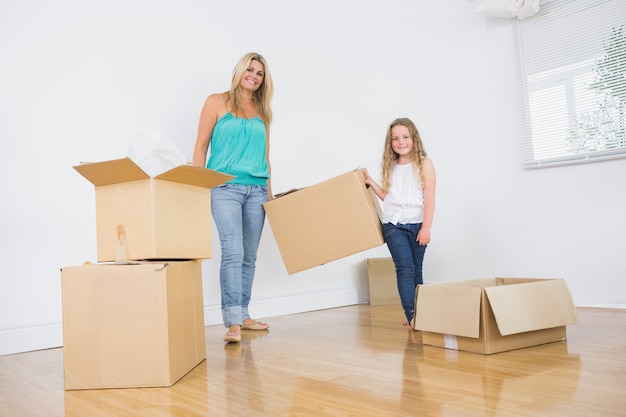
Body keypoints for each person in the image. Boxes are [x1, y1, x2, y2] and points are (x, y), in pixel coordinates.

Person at [193, 52, 274, 343]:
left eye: (260, 73)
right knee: (233, 252)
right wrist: (198, 187)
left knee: (249, 257)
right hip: (224, 187)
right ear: (240, 70)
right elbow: (201, 148)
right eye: (250, 69)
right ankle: (232, 322)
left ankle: (244, 314)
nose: (254, 75)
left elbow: (265, 156)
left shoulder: (263, 110)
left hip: (257, 190)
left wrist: (270, 194)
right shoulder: (216, 102)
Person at [364, 117, 436, 328]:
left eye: (405, 137)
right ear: (390, 143)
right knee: (404, 269)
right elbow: (389, 197)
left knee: (417, 269)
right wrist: (371, 183)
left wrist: (426, 227)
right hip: (394, 224)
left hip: (417, 224)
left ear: (414, 138)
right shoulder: (391, 166)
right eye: (395, 138)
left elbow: (429, 197)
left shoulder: (424, 164)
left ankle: (419, 311)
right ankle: (412, 315)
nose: (401, 142)